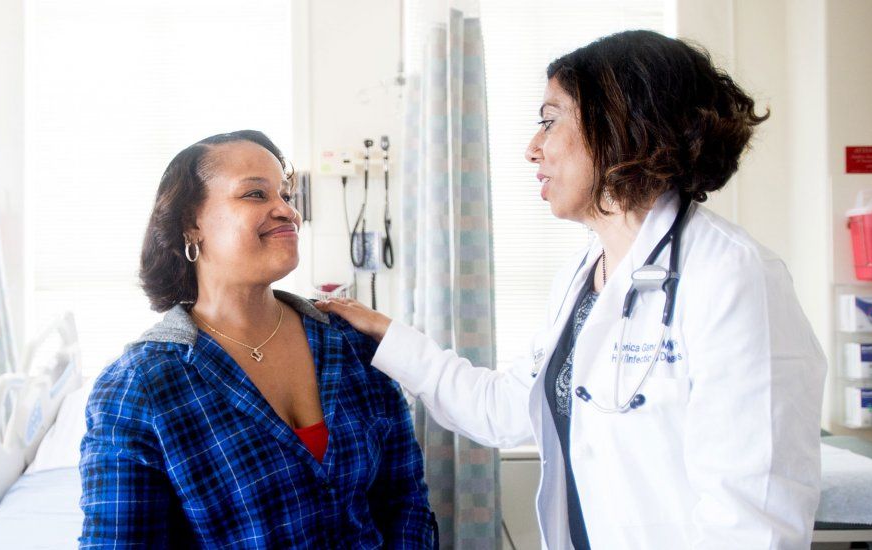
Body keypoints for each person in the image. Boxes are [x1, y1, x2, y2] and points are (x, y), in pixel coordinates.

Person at [317, 30, 826, 549]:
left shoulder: (731, 276)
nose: (532, 148)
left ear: (621, 124)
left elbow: (755, 522)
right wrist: (386, 335)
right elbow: (504, 409)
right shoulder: (585, 275)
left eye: (550, 119)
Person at [79, 130, 436, 548]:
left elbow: (405, 500)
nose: (288, 211)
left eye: (285, 194)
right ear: (190, 225)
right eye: (254, 195)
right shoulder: (140, 388)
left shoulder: (350, 344)